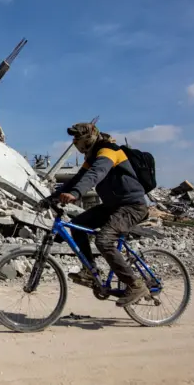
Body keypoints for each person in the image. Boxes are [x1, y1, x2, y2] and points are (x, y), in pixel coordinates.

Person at [39, 122, 150, 307]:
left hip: (132, 206)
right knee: (78, 226)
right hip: (112, 206)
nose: (75, 142)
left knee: (104, 240)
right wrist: (51, 198)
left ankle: (135, 284)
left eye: (77, 138)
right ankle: (90, 272)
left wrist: (76, 194)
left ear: (88, 138)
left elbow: (95, 175)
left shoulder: (108, 151)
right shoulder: (92, 156)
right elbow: (77, 179)